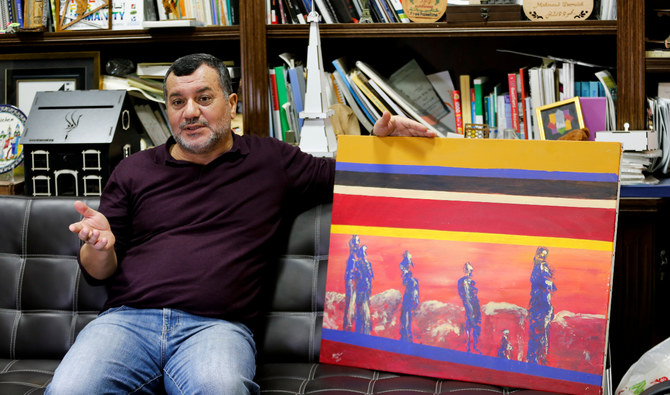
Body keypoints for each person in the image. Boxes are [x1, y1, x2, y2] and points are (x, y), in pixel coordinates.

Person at [46, 53, 435, 394]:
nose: (190, 112)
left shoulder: (271, 161)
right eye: (177, 102)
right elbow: (98, 274)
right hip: (128, 322)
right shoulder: (134, 170)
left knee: (222, 388)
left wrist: (382, 147)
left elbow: (348, 176)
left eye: (203, 98)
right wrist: (99, 246)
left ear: (231, 103)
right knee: (69, 389)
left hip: (216, 328)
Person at [457, 261, 482, 354]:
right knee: (471, 325)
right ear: (466, 270)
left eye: (471, 270)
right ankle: (469, 347)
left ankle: (473, 346)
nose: (471, 272)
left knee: (475, 325)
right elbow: (465, 297)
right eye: (470, 270)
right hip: (470, 306)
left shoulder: (471, 282)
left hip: (474, 306)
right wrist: (470, 309)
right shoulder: (463, 282)